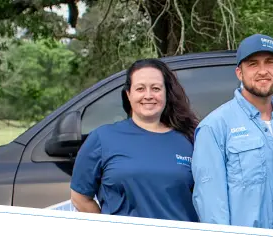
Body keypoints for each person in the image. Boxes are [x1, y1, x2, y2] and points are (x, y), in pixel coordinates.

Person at [191, 33, 273, 232]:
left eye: (269, 62)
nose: (263, 71)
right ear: (239, 73)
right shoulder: (215, 127)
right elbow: (212, 207)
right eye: (253, 64)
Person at [69, 58, 202, 222]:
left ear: (166, 94)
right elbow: (80, 198)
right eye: (140, 89)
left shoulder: (190, 140)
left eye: (156, 88)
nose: (148, 95)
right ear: (128, 94)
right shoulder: (103, 138)